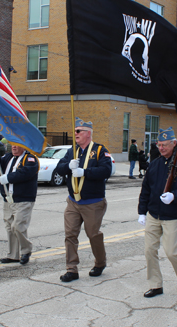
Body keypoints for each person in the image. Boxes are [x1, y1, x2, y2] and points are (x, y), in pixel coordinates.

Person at [137, 126, 177, 298]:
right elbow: (146, 189)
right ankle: (155, 285)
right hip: (153, 214)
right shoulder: (155, 164)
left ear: (174, 144)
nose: (161, 148)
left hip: (172, 216)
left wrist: (174, 196)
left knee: (172, 252)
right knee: (149, 250)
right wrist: (142, 212)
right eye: (159, 145)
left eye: (164, 145)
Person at [56, 117, 112, 282]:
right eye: (75, 131)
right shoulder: (71, 151)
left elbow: (106, 170)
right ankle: (71, 269)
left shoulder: (100, 150)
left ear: (88, 133)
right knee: (70, 235)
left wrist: (85, 172)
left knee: (93, 234)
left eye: (78, 131)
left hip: (92, 202)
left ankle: (100, 262)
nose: (76, 134)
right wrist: (68, 166)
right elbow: (59, 168)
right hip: (73, 201)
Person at [0, 144, 39, 265]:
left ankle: (26, 250)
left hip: (23, 199)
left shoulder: (30, 159)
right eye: (12, 145)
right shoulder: (8, 157)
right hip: (8, 199)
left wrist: (8, 178)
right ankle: (13, 255)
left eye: (17, 145)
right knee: (9, 228)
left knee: (18, 226)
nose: (14, 147)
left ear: (24, 146)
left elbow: (25, 173)